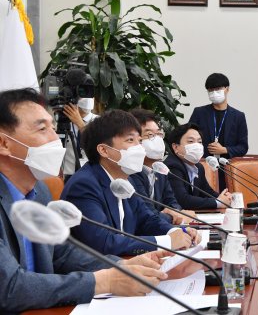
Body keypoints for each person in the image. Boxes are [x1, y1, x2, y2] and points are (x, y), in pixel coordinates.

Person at [0, 88, 195, 312]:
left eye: (54, 129)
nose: (55, 139)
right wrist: (105, 281)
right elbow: (9, 289)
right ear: (3, 143)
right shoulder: (84, 184)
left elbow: (61, 254)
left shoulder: (39, 192)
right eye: (42, 129)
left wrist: (120, 265)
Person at [61, 110, 201, 256]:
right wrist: (168, 242)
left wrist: (176, 231)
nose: (140, 148)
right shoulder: (84, 185)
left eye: (139, 141)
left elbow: (146, 219)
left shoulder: (126, 180)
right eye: (130, 140)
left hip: (127, 263)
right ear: (103, 150)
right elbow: (104, 242)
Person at [128, 109, 196, 224]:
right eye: (149, 135)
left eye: (159, 134)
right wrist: (176, 217)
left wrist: (176, 212)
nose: (157, 139)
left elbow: (171, 201)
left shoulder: (160, 169)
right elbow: (147, 213)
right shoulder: (131, 171)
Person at [189, 73, 248, 190]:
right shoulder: (199, 113)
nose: (214, 93)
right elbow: (188, 138)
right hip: (203, 166)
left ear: (227, 89)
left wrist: (224, 150)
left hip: (227, 169)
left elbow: (243, 147)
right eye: (210, 90)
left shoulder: (238, 116)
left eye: (218, 89)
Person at [164, 123, 232, 210]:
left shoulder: (199, 167)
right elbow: (182, 200)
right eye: (191, 141)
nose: (197, 146)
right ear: (176, 147)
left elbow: (207, 192)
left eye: (199, 142)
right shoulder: (172, 166)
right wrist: (218, 202)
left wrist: (225, 198)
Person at [61, 98, 98, 181]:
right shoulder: (63, 122)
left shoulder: (99, 121)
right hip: (67, 175)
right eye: (83, 95)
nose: (87, 99)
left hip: (91, 174)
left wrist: (81, 124)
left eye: (90, 96)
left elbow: (97, 145)